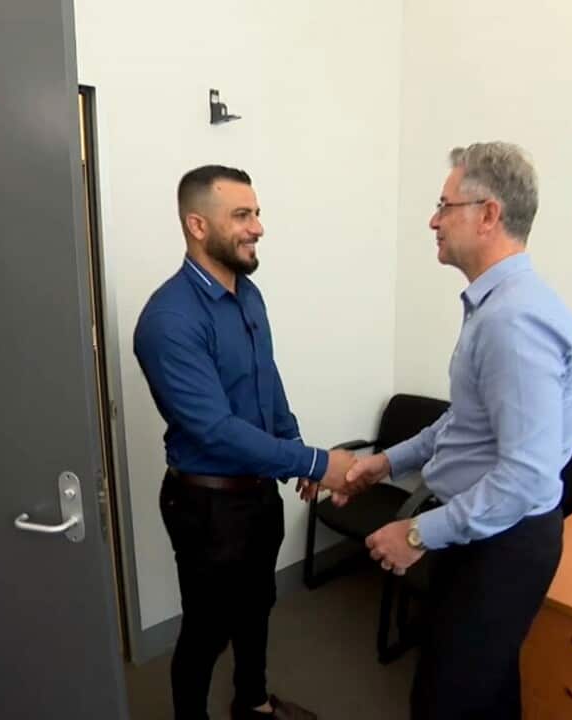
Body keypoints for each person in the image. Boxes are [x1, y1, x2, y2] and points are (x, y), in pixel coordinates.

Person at [346, 142, 572, 719]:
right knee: (487, 689)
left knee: (444, 701)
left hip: (503, 541)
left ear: (488, 215)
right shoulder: (497, 307)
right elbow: (465, 422)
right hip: (483, 530)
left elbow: (525, 477)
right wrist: (387, 461)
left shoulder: (513, 320)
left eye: (444, 204)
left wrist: (414, 534)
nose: (433, 219)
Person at [134, 165, 354, 720]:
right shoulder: (169, 319)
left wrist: (294, 444)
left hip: (257, 495)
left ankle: (252, 704)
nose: (258, 227)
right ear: (197, 225)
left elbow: (265, 381)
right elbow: (214, 428)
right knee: (207, 632)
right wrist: (314, 461)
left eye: (257, 213)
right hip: (207, 506)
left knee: (257, 609)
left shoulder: (249, 296)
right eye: (242, 215)